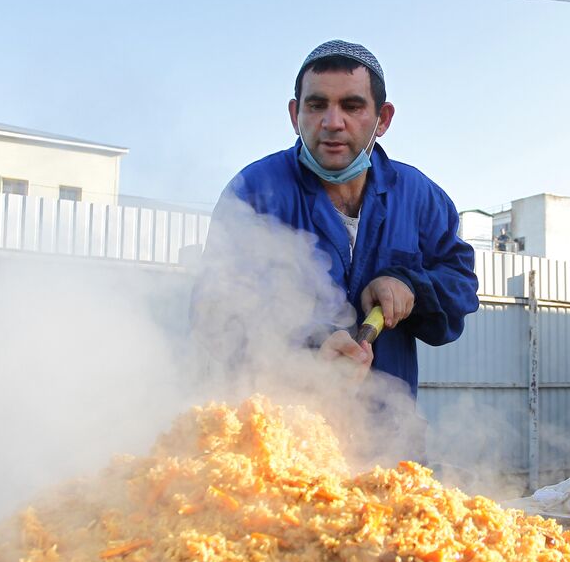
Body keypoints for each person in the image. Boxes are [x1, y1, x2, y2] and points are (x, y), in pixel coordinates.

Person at [193, 40, 479, 396]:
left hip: (387, 434)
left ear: (382, 119)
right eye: (316, 105)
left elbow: (459, 284)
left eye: (352, 106)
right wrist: (312, 345)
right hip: (278, 433)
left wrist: (411, 286)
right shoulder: (254, 190)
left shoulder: (419, 196)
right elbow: (214, 308)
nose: (332, 122)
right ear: (295, 114)